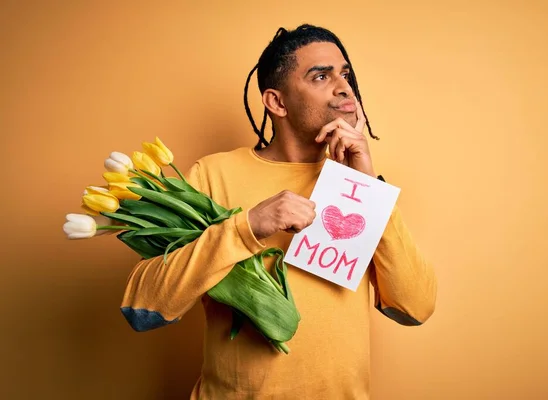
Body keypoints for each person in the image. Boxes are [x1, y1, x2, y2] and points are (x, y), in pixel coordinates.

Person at [120, 24, 437, 400]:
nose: (343, 87)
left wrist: (369, 187)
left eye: (345, 73)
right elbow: (144, 309)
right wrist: (246, 227)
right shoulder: (214, 175)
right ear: (277, 102)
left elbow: (415, 308)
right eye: (321, 76)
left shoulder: (358, 184)